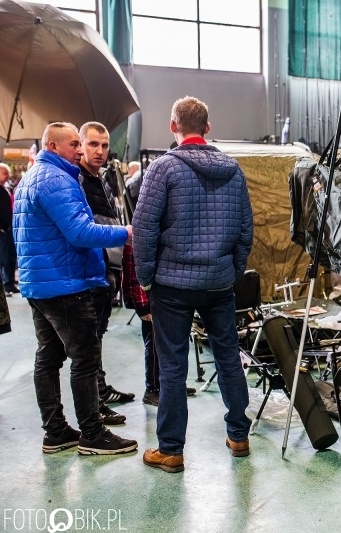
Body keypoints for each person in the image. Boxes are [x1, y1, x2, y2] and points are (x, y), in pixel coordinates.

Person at [134, 96, 254, 473]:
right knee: (228, 358)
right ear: (207, 127)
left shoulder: (162, 169)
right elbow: (246, 230)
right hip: (218, 283)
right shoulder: (233, 170)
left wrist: (145, 277)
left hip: (172, 285)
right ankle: (238, 435)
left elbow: (143, 230)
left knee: (172, 367)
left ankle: (171, 450)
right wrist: (232, 270)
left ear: (173, 126)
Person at [12, 122, 138, 455]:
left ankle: (56, 432)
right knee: (84, 360)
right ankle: (92, 434)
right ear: (52, 146)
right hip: (66, 284)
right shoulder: (57, 181)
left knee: (48, 359)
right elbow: (80, 233)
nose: (82, 150)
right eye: (75, 144)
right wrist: (125, 233)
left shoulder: (31, 179)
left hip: (40, 285)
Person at [77, 122, 136, 425]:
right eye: (92, 145)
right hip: (91, 272)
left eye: (103, 145)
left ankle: (100, 391)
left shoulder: (100, 179)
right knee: (88, 343)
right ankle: (95, 402)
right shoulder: (77, 181)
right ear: (80, 145)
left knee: (97, 336)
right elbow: (87, 231)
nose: (99, 151)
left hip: (106, 270)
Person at [121, 242, 196, 407]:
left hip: (168, 297)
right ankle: (152, 389)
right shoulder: (140, 233)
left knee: (173, 345)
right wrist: (142, 305)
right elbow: (134, 272)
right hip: (150, 301)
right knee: (155, 347)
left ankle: (171, 387)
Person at [0, 163, 18, 295]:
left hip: (9, 228)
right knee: (3, 258)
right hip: (3, 229)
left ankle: (9, 284)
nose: (8, 176)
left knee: (10, 257)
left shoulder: (6, 188)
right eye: (5, 173)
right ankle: (6, 284)